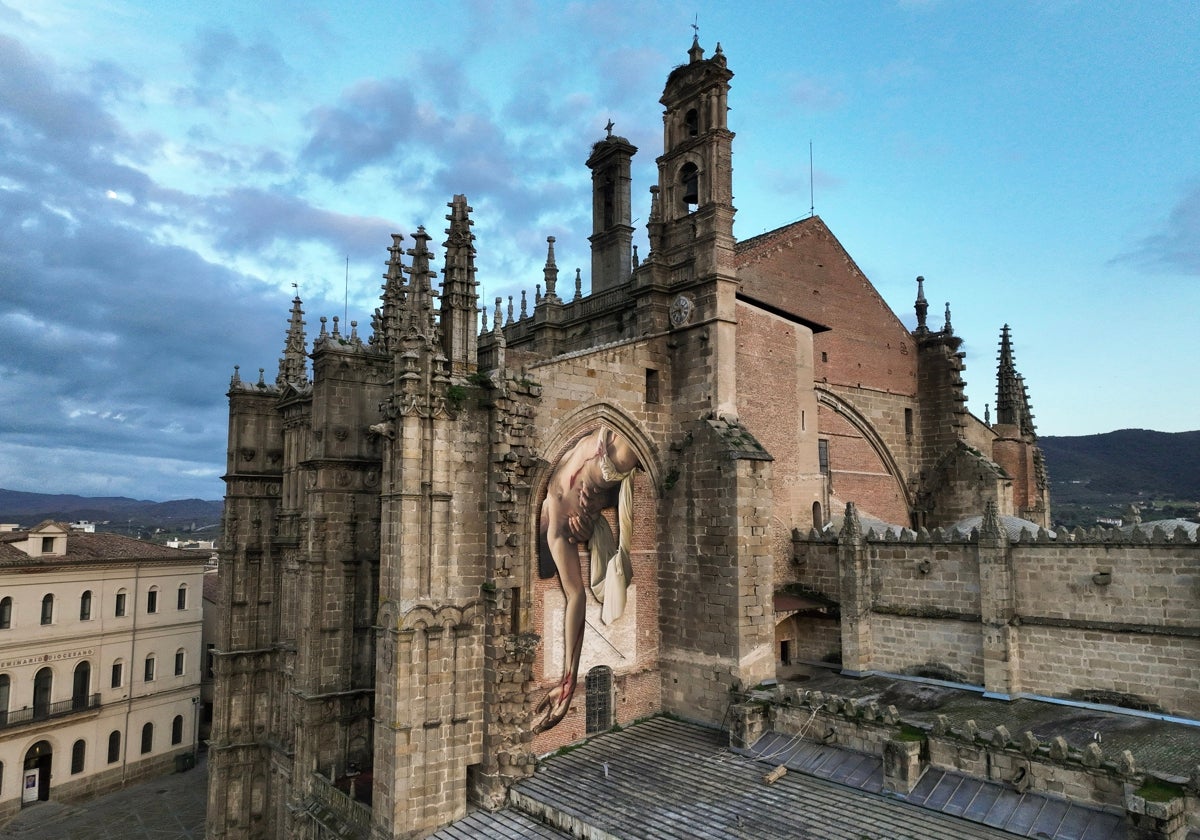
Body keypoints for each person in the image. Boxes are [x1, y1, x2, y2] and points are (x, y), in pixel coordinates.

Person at [534, 426, 639, 733]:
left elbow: (575, 597)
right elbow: (576, 598)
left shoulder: (556, 525)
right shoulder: (560, 533)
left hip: (602, 456)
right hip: (605, 465)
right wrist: (567, 683)